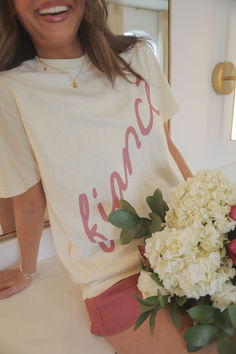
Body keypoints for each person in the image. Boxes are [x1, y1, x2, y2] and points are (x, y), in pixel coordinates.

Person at [0, 1, 217, 353]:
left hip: (187, 242)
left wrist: (211, 218)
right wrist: (27, 270)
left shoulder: (139, 55)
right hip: (111, 273)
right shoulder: (10, 90)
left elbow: (164, 145)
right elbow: (28, 198)